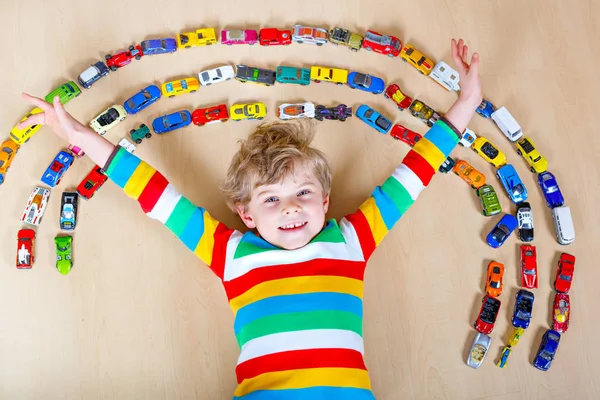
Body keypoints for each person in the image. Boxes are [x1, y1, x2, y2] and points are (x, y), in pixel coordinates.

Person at [19, 38, 482, 399]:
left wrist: (466, 104)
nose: (292, 207)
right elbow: (158, 196)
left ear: (325, 201)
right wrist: (82, 136)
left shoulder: (353, 239)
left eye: (303, 192)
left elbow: (414, 174)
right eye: (271, 199)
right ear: (246, 215)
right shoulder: (230, 252)